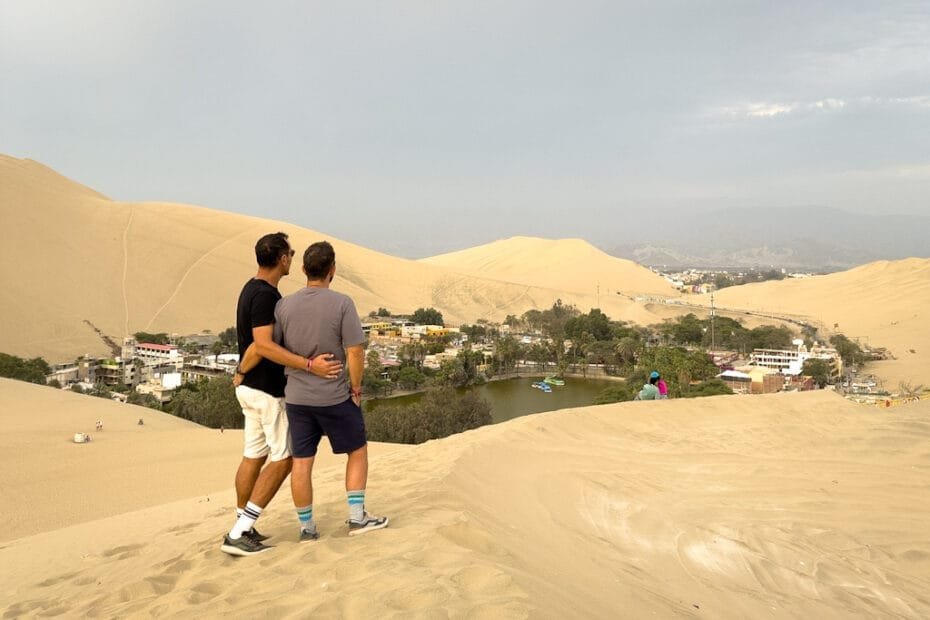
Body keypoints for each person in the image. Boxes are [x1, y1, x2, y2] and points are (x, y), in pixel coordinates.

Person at [221, 232, 343, 557]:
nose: (292, 257)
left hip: (251, 388)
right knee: (286, 458)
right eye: (290, 252)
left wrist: (240, 372)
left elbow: (252, 347)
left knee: (254, 455)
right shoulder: (264, 296)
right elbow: (262, 345)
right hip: (267, 392)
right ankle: (239, 531)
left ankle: (242, 523)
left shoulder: (253, 289)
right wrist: (308, 365)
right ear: (283, 259)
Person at [274, 241, 389, 540]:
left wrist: (304, 366)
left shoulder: (284, 305)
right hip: (335, 396)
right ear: (332, 270)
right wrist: (356, 387)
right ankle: (356, 519)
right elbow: (355, 351)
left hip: (297, 398)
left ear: (302, 269)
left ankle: (307, 528)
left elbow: (276, 348)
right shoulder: (342, 303)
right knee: (357, 450)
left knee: (302, 461)